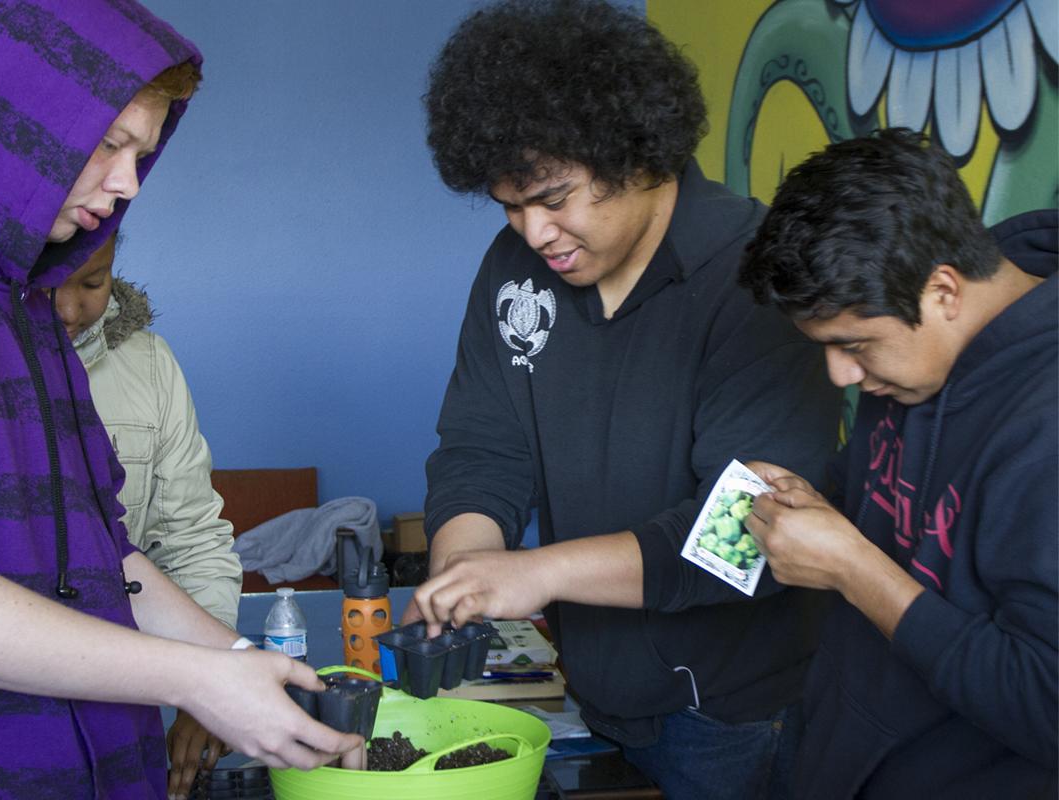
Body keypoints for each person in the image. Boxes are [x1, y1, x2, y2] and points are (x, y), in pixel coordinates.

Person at [0, 1, 361, 796]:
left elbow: (106, 551)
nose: (128, 183)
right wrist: (188, 681)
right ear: (16, 111)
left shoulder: (25, 282)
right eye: (108, 144)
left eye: (142, 154)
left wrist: (234, 664)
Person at [408, 1, 840, 796]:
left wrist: (536, 573)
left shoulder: (757, 275)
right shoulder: (514, 269)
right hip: (585, 685)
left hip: (730, 715)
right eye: (510, 204)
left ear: (639, 154)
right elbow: (482, 446)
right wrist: (468, 564)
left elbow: (742, 534)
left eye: (555, 197)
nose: (533, 232)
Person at [737, 128, 1058, 798]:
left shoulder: (1043, 425)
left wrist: (854, 569)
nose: (841, 374)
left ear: (943, 290)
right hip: (839, 750)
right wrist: (818, 503)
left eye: (855, 344)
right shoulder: (913, 362)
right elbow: (886, 497)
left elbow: (1044, 704)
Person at [54, 230, 243, 797]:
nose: (69, 308)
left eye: (93, 282)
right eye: (50, 284)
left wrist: (214, 680)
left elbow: (189, 541)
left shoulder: (151, 367)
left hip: (117, 708)